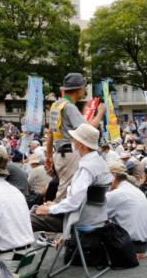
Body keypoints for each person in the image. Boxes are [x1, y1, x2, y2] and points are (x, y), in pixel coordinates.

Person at [32, 124, 113, 236]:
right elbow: (80, 199)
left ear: (80, 144)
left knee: (29, 218)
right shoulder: (100, 162)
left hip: (79, 219)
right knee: (38, 210)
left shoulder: (87, 168)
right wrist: (55, 205)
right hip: (96, 217)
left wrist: (51, 209)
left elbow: (74, 202)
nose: (72, 142)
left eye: (74, 139)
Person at [45, 73, 107, 202]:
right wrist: (100, 114)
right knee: (66, 193)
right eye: (84, 87)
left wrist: (49, 155)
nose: (84, 90)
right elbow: (87, 130)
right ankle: (53, 217)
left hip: (59, 153)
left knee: (67, 189)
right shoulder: (69, 107)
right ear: (79, 89)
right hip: (70, 153)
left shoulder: (56, 105)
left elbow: (50, 133)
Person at [106, 164, 147, 253]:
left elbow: (97, 217)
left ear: (112, 177)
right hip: (145, 244)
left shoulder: (116, 194)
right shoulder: (134, 189)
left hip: (129, 245)